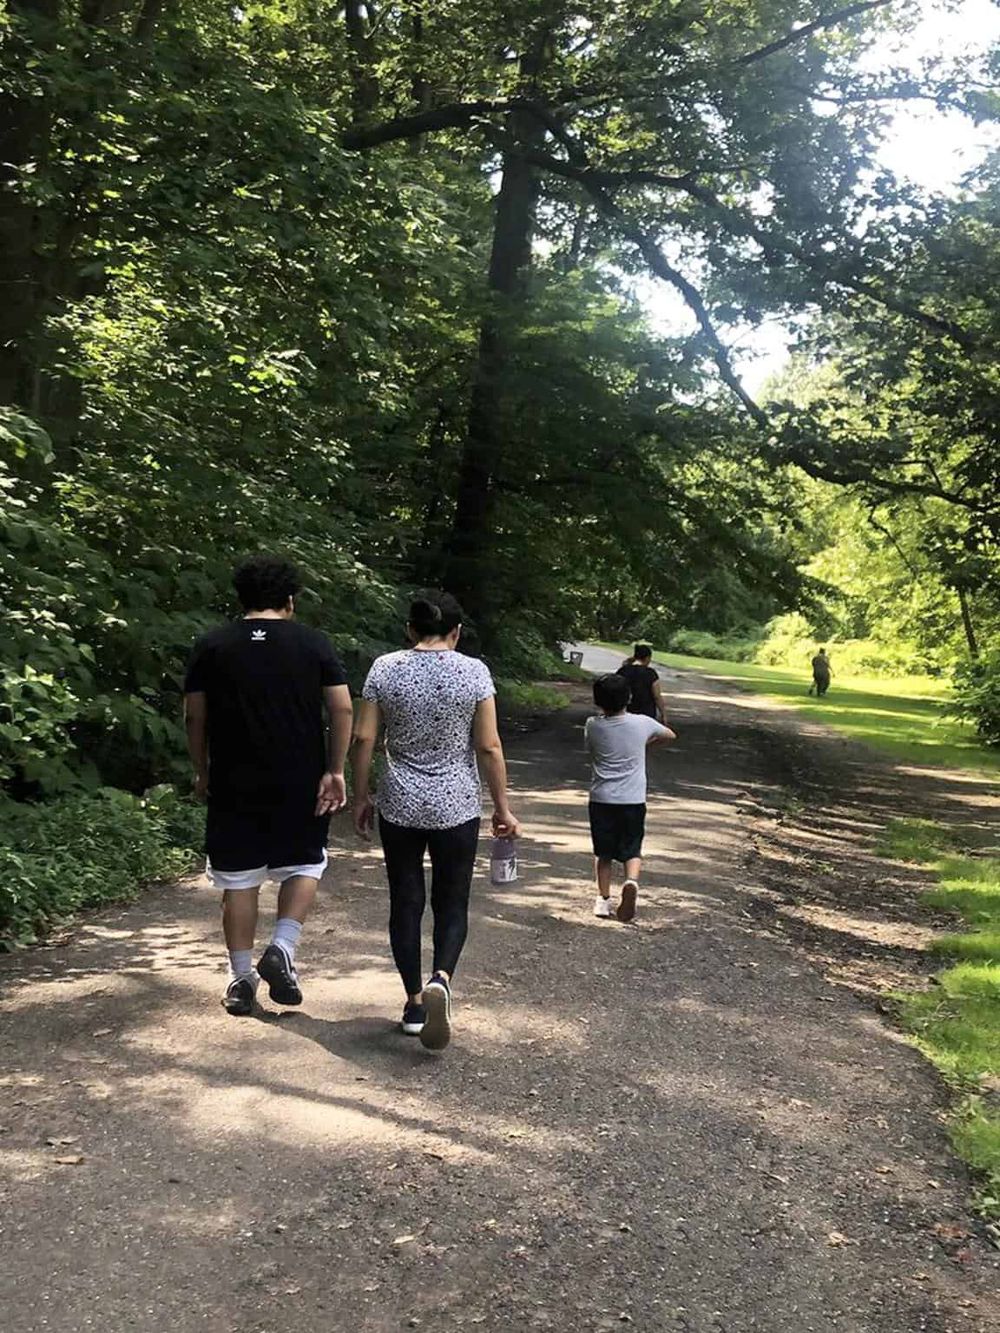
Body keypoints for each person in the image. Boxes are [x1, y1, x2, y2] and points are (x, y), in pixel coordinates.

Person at [184, 555, 353, 1016]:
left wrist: (202, 770)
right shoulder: (313, 644)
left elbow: (195, 715)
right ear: (290, 600)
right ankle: (281, 948)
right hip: (299, 777)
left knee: (238, 881)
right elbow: (340, 709)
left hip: (233, 779)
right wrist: (335, 770)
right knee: (304, 864)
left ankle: (241, 980)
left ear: (241, 598)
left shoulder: (213, 645)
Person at [352, 592, 521, 1051]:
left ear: (410, 629)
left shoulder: (385, 668)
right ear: (457, 631)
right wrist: (502, 807)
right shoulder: (474, 671)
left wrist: (362, 794)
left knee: (405, 900)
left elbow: (365, 735)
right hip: (456, 805)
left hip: (401, 802)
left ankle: (412, 1003)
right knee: (452, 902)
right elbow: (489, 747)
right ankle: (442, 979)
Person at [585, 672, 675, 923]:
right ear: (630, 697)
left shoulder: (593, 724)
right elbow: (670, 735)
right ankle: (631, 882)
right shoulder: (642, 723)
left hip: (601, 798)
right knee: (632, 848)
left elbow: (590, 750)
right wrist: (643, 745)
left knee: (603, 853)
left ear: (597, 701)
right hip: (633, 799)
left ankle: (603, 900)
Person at [617, 643, 666, 722]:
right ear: (647, 658)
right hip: (646, 713)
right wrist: (663, 714)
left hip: (626, 711)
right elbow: (657, 696)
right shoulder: (651, 673)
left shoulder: (623, 671)